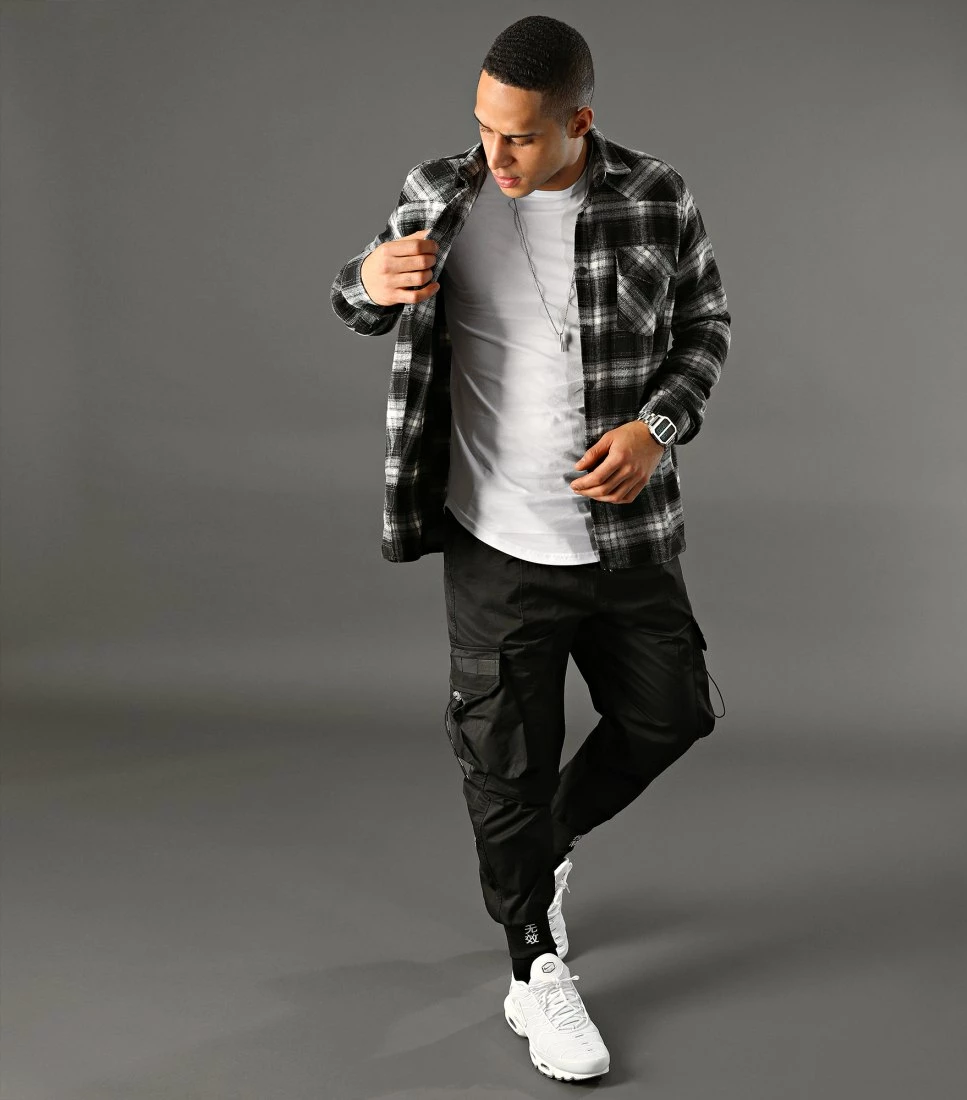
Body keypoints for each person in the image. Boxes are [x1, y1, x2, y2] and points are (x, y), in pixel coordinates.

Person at [330, 14, 729, 1083]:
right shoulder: (441, 193)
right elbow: (354, 298)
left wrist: (657, 428)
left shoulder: (655, 197)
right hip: (495, 545)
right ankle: (532, 966)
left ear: (577, 123)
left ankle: (538, 851)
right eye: (482, 127)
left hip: (624, 537)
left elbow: (706, 327)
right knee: (501, 764)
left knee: (671, 712)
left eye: (517, 136)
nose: (492, 154)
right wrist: (369, 277)